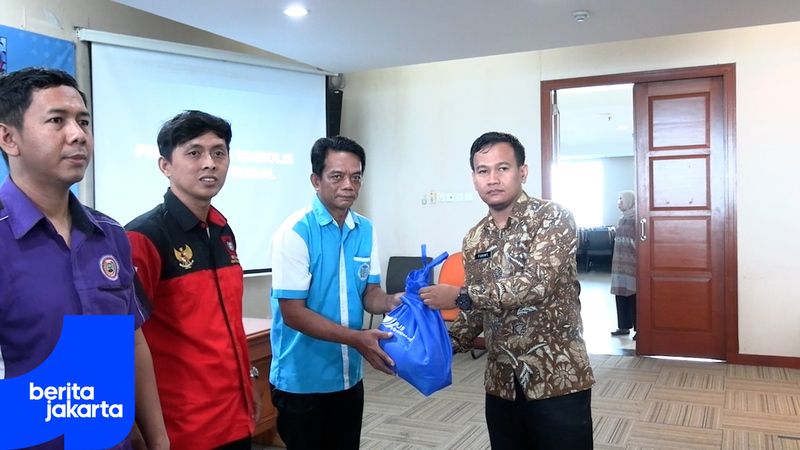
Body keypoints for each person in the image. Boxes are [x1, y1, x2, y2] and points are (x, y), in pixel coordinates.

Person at [0, 68, 168, 449]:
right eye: (57, 121)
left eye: (84, 122)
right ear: (9, 138)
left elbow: (132, 342)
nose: (78, 135)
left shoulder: (109, 234)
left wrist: (159, 440)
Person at [421, 132, 595, 450]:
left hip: (556, 377)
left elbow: (536, 283)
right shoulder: (475, 238)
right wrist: (430, 347)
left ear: (522, 172)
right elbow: (476, 312)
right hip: (502, 382)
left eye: (502, 168)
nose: (493, 179)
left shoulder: (552, 218)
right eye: (483, 171)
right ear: (474, 178)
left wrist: (461, 295)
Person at [125, 111, 257, 449]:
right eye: (194, 152)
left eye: (219, 152)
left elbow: (226, 326)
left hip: (235, 417)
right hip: (181, 429)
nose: (210, 163)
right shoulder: (143, 237)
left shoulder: (222, 230)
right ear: (165, 165)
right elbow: (123, 341)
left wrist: (247, 389)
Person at [269, 136, 401, 450]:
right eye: (337, 176)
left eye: (356, 177)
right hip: (302, 381)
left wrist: (392, 301)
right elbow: (293, 313)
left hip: (348, 375)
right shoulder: (295, 231)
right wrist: (357, 338)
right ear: (316, 180)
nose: (348, 185)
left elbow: (369, 293)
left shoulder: (365, 229)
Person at [610, 190, 637, 337]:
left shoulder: (637, 219)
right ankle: (623, 326)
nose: (619, 202)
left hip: (632, 263)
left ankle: (639, 328)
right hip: (619, 263)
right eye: (618, 199)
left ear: (629, 201)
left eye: (621, 199)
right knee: (620, 293)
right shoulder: (622, 219)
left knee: (634, 295)